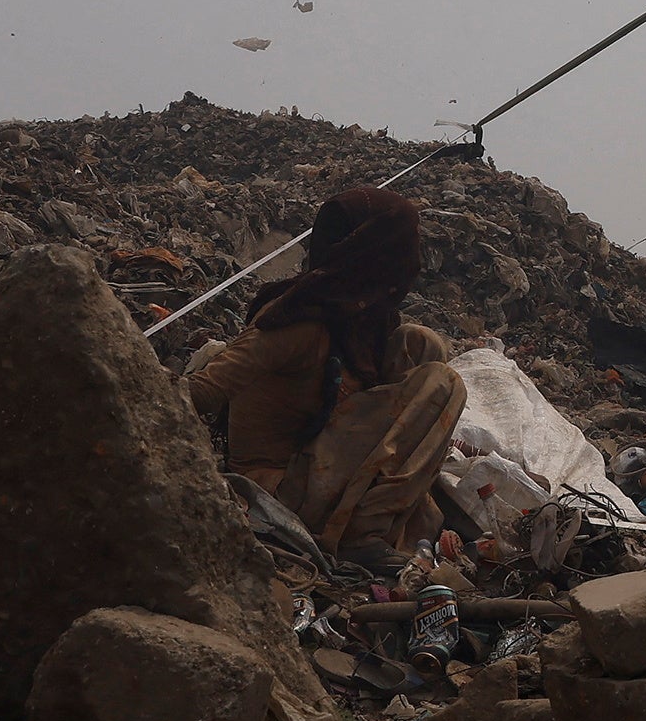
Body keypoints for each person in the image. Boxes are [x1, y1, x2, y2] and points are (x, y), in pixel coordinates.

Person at [185, 186, 466, 556]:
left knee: (420, 342)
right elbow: (205, 388)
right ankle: (360, 535)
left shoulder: (362, 323)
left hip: (319, 470)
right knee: (444, 383)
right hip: (278, 487)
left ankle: (375, 519)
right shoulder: (300, 323)